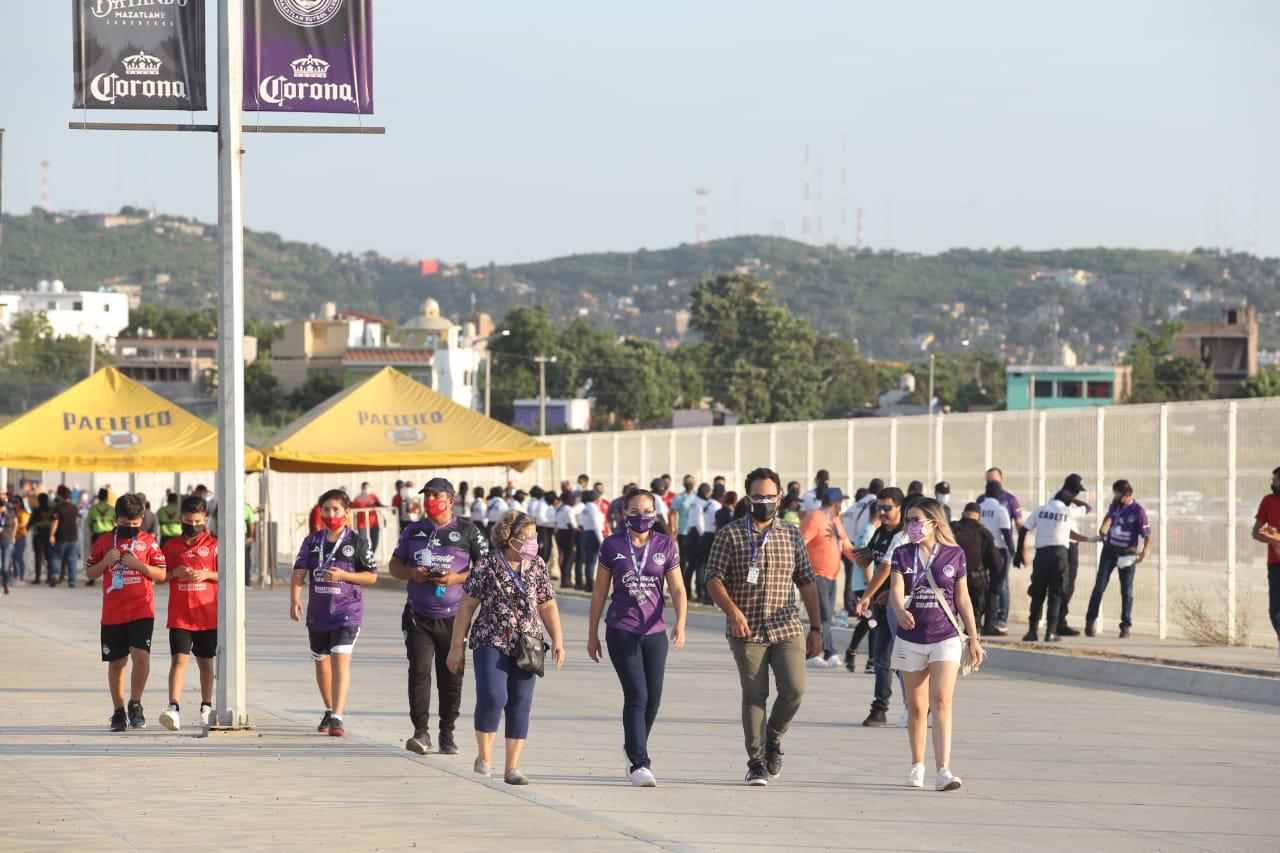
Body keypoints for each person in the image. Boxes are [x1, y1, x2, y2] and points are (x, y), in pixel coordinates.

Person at [705, 467, 823, 786]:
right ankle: (756, 761)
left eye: (770, 496)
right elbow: (713, 577)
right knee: (755, 694)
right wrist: (732, 612)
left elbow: (807, 581)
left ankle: (774, 737)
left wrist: (816, 627)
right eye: (757, 496)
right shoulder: (730, 534)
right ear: (747, 498)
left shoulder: (791, 534)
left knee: (795, 690)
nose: (764, 502)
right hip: (748, 630)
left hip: (786, 627)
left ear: (780, 498)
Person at [447, 511, 565, 785]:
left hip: (528, 643)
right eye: (528, 537)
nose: (534, 542)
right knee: (493, 695)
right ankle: (484, 757)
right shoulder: (488, 565)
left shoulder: (537, 566)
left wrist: (557, 638)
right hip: (491, 638)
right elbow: (467, 606)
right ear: (510, 539)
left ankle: (512, 767)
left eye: (535, 537)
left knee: (520, 702)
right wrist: (457, 645)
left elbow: (547, 604)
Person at [587, 488, 688, 787]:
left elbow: (679, 589)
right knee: (637, 695)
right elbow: (599, 591)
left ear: (655, 514)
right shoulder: (612, 545)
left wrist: (681, 622)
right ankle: (639, 762)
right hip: (622, 629)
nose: (641, 517)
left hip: (655, 630)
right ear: (624, 513)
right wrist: (592, 634)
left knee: (653, 699)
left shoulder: (665, 545)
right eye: (634, 511)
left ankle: (634, 744)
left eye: (647, 511)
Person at [889, 498, 985, 792]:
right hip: (911, 638)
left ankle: (944, 769)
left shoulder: (955, 555)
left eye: (916, 520)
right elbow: (895, 589)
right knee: (917, 707)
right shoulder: (902, 554)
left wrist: (974, 638)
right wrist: (899, 611)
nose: (911, 526)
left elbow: (963, 599)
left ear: (934, 522)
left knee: (941, 701)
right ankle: (917, 765)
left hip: (946, 636)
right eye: (908, 521)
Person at [389, 478, 487, 756]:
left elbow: (485, 570)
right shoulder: (413, 530)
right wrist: (412, 573)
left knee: (451, 674)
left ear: (451, 500)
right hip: (418, 616)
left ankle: (447, 732)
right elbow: (394, 565)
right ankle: (421, 731)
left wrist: (456, 578)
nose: (431, 500)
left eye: (436, 495)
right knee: (419, 671)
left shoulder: (468, 530)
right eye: (427, 495)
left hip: (455, 617)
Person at [289, 489, 378, 737]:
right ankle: (328, 709)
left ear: (347, 513)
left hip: (347, 611)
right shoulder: (312, 541)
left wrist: (344, 576)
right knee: (321, 663)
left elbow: (371, 576)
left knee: (341, 659)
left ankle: (338, 717)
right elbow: (298, 572)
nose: (330, 514)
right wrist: (294, 599)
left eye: (336, 509)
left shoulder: (357, 542)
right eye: (326, 509)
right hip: (319, 612)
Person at [85, 494, 168, 731]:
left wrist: (139, 566)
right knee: (117, 661)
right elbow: (90, 573)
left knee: (141, 655)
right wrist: (107, 561)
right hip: (113, 612)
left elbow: (162, 575)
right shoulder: (104, 541)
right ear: (115, 519)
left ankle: (136, 703)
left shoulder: (149, 541)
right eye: (125, 524)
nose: (130, 529)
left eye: (134, 524)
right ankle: (118, 711)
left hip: (141, 608)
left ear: (141, 519)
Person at [157, 495, 218, 732]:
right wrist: (175, 572)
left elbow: (228, 574)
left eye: (197, 520)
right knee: (178, 659)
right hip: (180, 615)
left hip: (206, 615)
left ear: (204, 519)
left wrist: (207, 575)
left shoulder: (214, 545)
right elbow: (161, 577)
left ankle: (206, 706)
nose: (192, 524)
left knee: (205, 662)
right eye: (188, 520)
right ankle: (173, 707)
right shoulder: (171, 545)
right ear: (181, 518)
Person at [856, 487, 907, 726]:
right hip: (881, 609)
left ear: (899, 508)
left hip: (901, 608)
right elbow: (873, 561)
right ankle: (880, 708)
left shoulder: (904, 536)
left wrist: (880, 592)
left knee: (906, 661)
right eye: (879, 508)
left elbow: (894, 569)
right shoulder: (878, 534)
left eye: (888, 508)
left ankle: (918, 706)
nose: (883, 512)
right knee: (881, 659)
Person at [1019, 483, 1093, 642]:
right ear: (1067, 501)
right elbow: (1088, 507)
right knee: (1056, 593)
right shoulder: (1068, 511)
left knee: (1038, 592)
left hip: (1041, 555)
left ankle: (1032, 631)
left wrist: (1020, 552)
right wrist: (1075, 501)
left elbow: (1024, 529)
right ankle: (1050, 632)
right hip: (1060, 556)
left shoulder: (1041, 510)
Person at [1079, 479, 1150, 639]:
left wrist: (1143, 553)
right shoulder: (1115, 505)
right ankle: (1090, 622)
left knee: (1127, 592)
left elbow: (1147, 535)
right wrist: (1103, 530)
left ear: (1126, 495)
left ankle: (1125, 627)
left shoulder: (1139, 512)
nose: (1115, 496)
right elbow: (1108, 519)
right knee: (1099, 587)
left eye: (1117, 493)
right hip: (1109, 551)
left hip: (1128, 554)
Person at [800, 488, 855, 668]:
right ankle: (818, 653)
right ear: (835, 503)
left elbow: (845, 545)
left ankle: (823, 651)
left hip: (831, 576)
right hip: (816, 575)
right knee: (822, 614)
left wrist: (862, 559)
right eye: (841, 502)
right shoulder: (814, 518)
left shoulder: (836, 520)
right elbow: (801, 542)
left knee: (827, 615)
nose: (842, 505)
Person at [1053, 474, 1092, 637]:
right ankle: (1059, 622)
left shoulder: (1064, 504)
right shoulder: (1060, 504)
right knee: (1065, 585)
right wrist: (1071, 500)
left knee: (1068, 585)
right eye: (1076, 492)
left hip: (1069, 545)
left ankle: (1059, 621)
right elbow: (1088, 508)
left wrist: (1087, 539)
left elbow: (1070, 531)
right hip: (1065, 548)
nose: (1077, 495)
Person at [952, 502, 1000, 635]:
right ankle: (971, 640)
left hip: (950, 579)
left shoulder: (951, 529)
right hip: (976, 580)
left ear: (962, 515)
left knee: (949, 616)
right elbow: (995, 562)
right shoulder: (984, 533)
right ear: (979, 517)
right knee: (974, 618)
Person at [985, 467, 1024, 630]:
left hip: (1001, 549)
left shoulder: (1010, 500)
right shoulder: (983, 501)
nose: (992, 482)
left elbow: (1020, 525)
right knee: (987, 583)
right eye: (989, 480)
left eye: (995, 479)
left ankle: (1001, 618)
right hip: (991, 549)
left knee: (1002, 584)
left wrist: (1020, 551)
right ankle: (989, 617)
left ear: (1002, 479)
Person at [976, 481, 1015, 635]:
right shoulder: (1000, 509)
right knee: (995, 588)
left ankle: (976, 622)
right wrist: (1013, 552)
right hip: (997, 551)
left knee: (981, 588)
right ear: (999, 494)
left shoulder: (979, 508)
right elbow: (1006, 533)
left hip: (979, 551)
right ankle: (991, 623)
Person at [1253, 466, 1280, 655]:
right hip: (1275, 563)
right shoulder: (1268, 501)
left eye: (1276, 479)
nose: (1273, 483)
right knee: (1275, 611)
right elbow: (1257, 531)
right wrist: (1274, 541)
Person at [48, 486, 82, 587]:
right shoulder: (74, 508)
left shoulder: (58, 508)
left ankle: (54, 575)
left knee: (56, 557)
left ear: (61, 496)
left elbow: (55, 522)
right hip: (73, 537)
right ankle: (72, 580)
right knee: (71, 559)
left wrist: (51, 535)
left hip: (60, 537)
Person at [697, 483, 721, 604]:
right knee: (711, 566)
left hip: (704, 535)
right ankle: (708, 595)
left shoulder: (707, 503)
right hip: (711, 535)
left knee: (702, 565)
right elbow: (715, 523)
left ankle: (701, 592)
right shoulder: (716, 505)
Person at [578, 489, 605, 594]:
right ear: (596, 498)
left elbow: (580, 521)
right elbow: (597, 526)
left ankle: (588, 584)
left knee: (589, 561)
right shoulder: (593, 509)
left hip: (586, 533)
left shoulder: (585, 508)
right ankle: (590, 584)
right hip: (593, 535)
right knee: (592, 561)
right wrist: (602, 541)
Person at [555, 491, 580, 589]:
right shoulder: (568, 509)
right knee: (570, 557)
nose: (574, 500)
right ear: (568, 499)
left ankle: (565, 580)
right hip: (567, 533)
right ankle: (566, 580)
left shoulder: (560, 508)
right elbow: (571, 523)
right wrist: (577, 528)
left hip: (560, 532)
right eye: (572, 498)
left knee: (565, 556)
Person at [350, 482, 384, 553]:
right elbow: (352, 510)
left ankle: (370, 556)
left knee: (375, 542)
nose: (366, 489)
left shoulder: (374, 496)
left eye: (368, 487)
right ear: (362, 488)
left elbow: (379, 507)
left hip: (374, 523)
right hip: (362, 524)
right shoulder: (358, 498)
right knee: (363, 542)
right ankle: (365, 557)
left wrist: (383, 519)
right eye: (365, 487)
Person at [28, 492, 53, 584]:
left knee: (38, 557)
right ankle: (49, 577)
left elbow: (30, 522)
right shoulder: (52, 510)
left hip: (38, 536)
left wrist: (27, 528)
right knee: (49, 557)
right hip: (49, 536)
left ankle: (38, 578)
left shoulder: (37, 510)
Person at [12, 494, 29, 582]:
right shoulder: (12, 512)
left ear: (20, 503)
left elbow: (24, 524)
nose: (14, 504)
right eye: (13, 502)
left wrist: (14, 525)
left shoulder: (24, 512)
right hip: (12, 536)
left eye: (16, 502)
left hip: (21, 536)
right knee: (13, 556)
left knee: (19, 556)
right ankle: (16, 574)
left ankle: (21, 574)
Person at [0, 496, 14, 595]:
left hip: (7, 541)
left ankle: (6, 584)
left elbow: (15, 523)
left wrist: (13, 536)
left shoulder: (9, 513)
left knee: (5, 565)